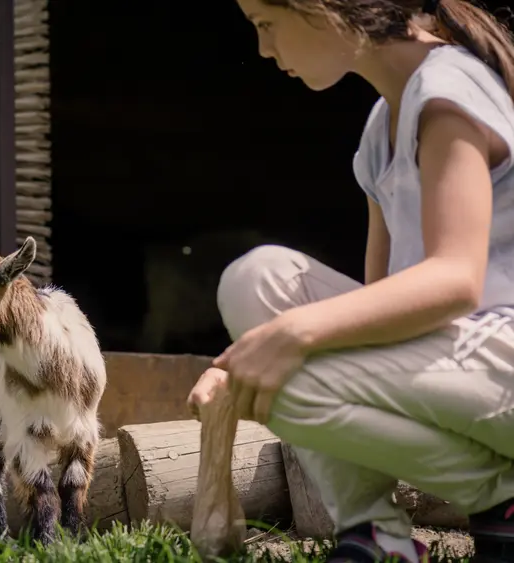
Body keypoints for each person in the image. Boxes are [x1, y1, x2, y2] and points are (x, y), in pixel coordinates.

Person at [186, 1, 514, 562]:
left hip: (498, 356)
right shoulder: (380, 128)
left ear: (322, 8)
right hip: (459, 367)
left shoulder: (448, 92)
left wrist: (290, 337)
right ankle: (376, 534)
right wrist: (250, 353)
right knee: (254, 280)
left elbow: (457, 279)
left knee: (284, 385)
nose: (264, 50)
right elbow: (377, 302)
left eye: (265, 25)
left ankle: (500, 496)